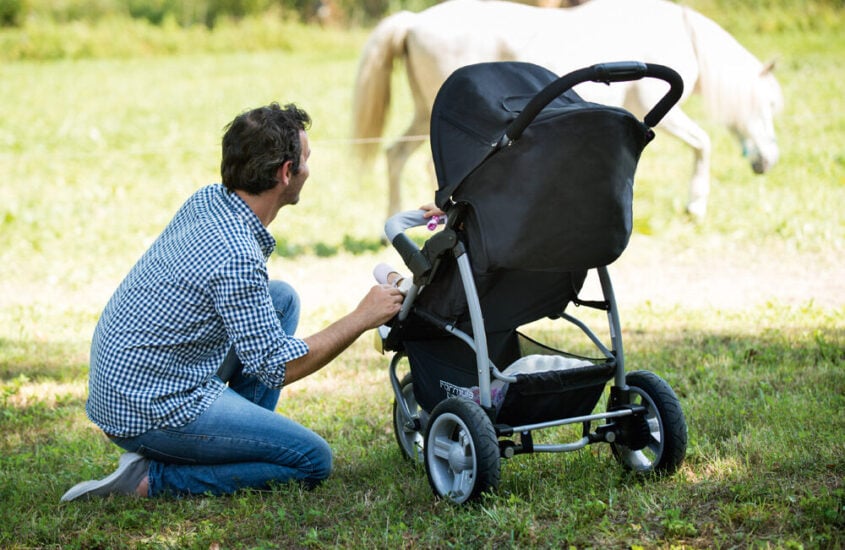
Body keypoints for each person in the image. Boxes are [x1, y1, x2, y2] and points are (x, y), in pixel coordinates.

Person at [60, 102, 404, 501]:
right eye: (306, 159)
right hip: (148, 410)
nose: (309, 169)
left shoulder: (210, 199)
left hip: (135, 381)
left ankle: (230, 439)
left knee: (281, 301)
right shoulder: (236, 253)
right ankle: (151, 481)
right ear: (286, 173)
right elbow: (279, 366)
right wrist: (362, 317)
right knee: (311, 460)